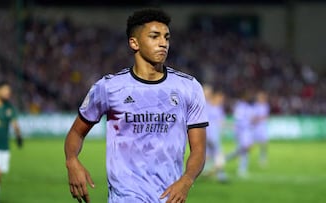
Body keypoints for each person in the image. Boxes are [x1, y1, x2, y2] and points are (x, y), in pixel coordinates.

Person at [64, 9, 208, 203]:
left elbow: (198, 149)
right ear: (134, 43)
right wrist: (72, 161)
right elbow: (76, 132)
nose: (163, 43)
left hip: (169, 198)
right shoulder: (109, 87)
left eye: (166, 37)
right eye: (154, 36)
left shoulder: (188, 87)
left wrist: (187, 180)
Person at [202, 88, 228, 182]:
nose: (222, 100)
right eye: (220, 98)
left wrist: (229, 126)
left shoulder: (218, 108)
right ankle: (221, 176)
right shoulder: (207, 105)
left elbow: (222, 122)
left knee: (208, 156)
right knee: (219, 155)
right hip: (210, 135)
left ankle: (203, 171)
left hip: (210, 135)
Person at [226, 90, 254, 177]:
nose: (250, 97)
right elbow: (238, 120)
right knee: (244, 149)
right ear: (244, 97)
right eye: (248, 95)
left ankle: (227, 160)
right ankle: (241, 169)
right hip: (241, 131)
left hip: (246, 131)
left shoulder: (247, 106)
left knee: (244, 150)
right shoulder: (240, 106)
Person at [252, 91, 270, 167]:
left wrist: (260, 118)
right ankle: (243, 157)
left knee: (264, 144)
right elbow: (254, 116)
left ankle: (263, 158)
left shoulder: (266, 106)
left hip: (262, 127)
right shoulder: (255, 106)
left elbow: (266, 116)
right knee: (250, 144)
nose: (260, 99)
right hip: (255, 127)